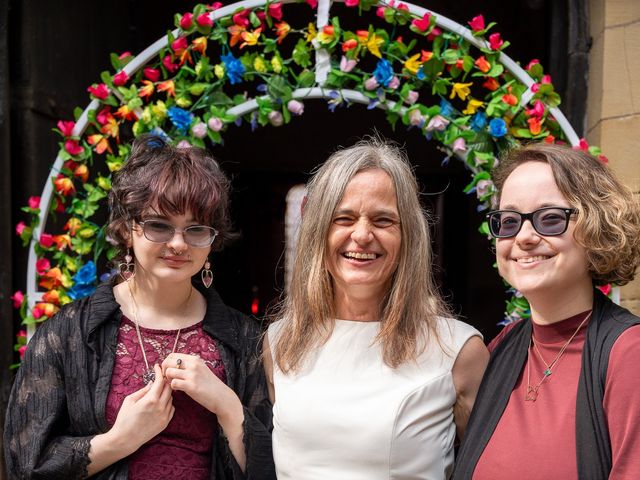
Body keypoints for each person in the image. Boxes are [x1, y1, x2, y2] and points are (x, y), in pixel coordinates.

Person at [4, 135, 275, 479]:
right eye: (159, 225)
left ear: (213, 240)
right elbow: (26, 465)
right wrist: (121, 439)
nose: (178, 244)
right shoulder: (68, 332)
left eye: (195, 230)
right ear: (126, 229)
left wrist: (226, 405)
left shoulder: (244, 338)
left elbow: (273, 469)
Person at [263, 138, 489, 479]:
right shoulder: (280, 341)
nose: (363, 235)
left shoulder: (459, 350)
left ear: (408, 236)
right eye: (344, 218)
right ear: (318, 232)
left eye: (383, 220)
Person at [453, 143, 640, 479]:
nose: (524, 236)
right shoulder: (504, 346)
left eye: (550, 218)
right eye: (509, 221)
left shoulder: (629, 353)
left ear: (596, 227)